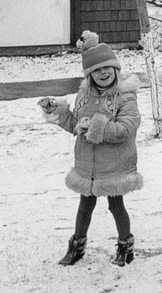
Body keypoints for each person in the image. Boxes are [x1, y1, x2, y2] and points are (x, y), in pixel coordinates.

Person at [39, 31, 143, 267]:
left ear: (115, 68)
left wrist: (97, 126)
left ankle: (125, 246)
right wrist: (60, 112)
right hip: (88, 163)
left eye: (107, 67)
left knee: (116, 205)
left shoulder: (125, 95)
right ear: (89, 74)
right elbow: (77, 125)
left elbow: (127, 128)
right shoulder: (84, 93)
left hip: (115, 162)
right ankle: (76, 247)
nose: (103, 73)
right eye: (96, 70)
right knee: (85, 205)